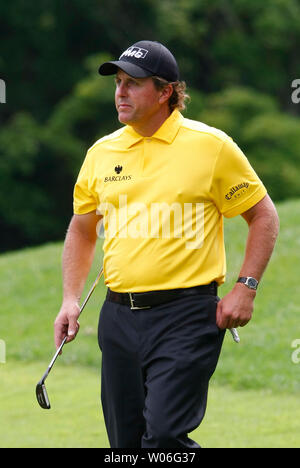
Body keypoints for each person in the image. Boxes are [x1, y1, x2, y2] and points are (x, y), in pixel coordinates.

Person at [54, 40, 279, 448]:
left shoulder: (211, 147)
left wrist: (246, 287)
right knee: (126, 443)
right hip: (118, 318)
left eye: (133, 83)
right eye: (118, 82)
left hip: (186, 316)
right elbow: (83, 229)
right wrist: (70, 298)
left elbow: (263, 216)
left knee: (164, 439)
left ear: (166, 93)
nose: (121, 92)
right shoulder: (102, 152)